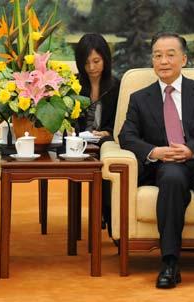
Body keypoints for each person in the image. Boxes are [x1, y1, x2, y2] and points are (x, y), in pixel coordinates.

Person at [118, 32, 194, 289]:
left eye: (170, 55)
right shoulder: (140, 98)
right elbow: (126, 136)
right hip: (167, 162)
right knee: (172, 181)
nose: (163, 61)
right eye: (157, 55)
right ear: (152, 61)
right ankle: (170, 263)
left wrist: (190, 150)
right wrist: (156, 152)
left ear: (184, 59)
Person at [74, 33, 120, 237]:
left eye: (96, 61)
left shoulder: (116, 85)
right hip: (78, 143)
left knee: (106, 160)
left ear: (105, 59)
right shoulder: (74, 85)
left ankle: (108, 215)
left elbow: (122, 118)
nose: (92, 68)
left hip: (105, 142)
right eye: (86, 63)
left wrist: (108, 131)